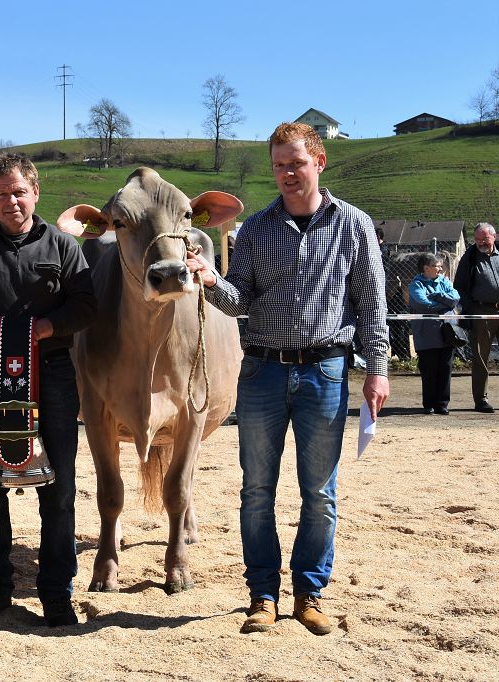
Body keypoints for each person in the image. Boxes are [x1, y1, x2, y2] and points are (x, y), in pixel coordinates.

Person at [185, 122, 390, 635]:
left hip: (326, 369)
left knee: (320, 492)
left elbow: (371, 304)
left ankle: (309, 593)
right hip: (262, 371)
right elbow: (240, 301)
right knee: (257, 490)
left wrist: (378, 370)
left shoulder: (354, 224)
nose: (287, 173)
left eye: (295, 163)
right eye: (279, 165)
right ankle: (262, 595)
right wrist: (211, 281)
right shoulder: (256, 229)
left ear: (319, 161)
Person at [0, 153, 97, 627]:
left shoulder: (65, 247)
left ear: (35, 192)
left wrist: (47, 327)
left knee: (60, 486)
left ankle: (56, 593)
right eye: (1, 194)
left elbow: (86, 305)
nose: (11, 201)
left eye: (19, 192)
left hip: (52, 374)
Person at [453, 222, 499, 414]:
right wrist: (470, 309)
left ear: (494, 237)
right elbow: (459, 287)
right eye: (478, 239)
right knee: (480, 357)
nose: (481, 242)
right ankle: (481, 399)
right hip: (481, 312)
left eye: (485, 239)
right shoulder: (470, 257)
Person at [408, 253, 461, 415]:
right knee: (429, 370)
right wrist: (445, 304)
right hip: (426, 335)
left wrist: (438, 296)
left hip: (448, 333)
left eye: (440, 266)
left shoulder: (444, 281)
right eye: (437, 266)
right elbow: (423, 304)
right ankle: (429, 404)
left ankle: (442, 404)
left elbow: (455, 298)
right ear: (426, 268)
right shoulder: (415, 285)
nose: (440, 269)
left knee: (446, 368)